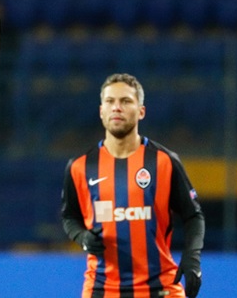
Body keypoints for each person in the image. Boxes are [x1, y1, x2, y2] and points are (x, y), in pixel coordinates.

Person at [61, 73, 205, 298]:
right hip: (102, 289)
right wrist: (83, 238)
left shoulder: (164, 162)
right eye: (110, 101)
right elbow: (70, 217)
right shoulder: (80, 167)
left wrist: (192, 258)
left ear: (141, 111)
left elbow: (193, 215)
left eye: (126, 101)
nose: (116, 107)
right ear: (101, 111)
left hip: (160, 287)